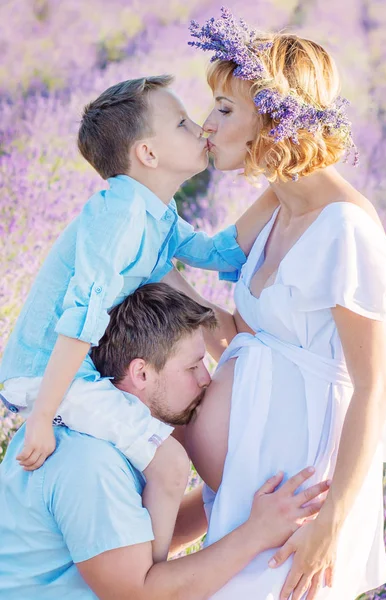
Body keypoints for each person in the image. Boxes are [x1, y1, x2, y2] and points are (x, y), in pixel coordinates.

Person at [175, 8, 386, 600]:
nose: (207, 123)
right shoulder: (275, 205)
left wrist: (330, 527)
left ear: (275, 117)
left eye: (226, 109)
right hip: (252, 491)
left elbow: (373, 387)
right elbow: (240, 330)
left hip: (302, 497)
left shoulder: (346, 230)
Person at [0, 75, 273, 563]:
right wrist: (42, 415)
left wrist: (286, 177)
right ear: (148, 154)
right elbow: (80, 317)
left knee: (176, 447)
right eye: (183, 123)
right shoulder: (121, 217)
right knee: (169, 463)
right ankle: (153, 580)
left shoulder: (156, 213)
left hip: (74, 369)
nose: (201, 127)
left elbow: (216, 250)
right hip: (46, 373)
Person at [0, 283, 331, 600]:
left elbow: (131, 540)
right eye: (192, 366)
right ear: (141, 374)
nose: (205, 379)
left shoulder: (113, 438)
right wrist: (256, 534)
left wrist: (233, 492)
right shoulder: (91, 463)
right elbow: (139, 594)